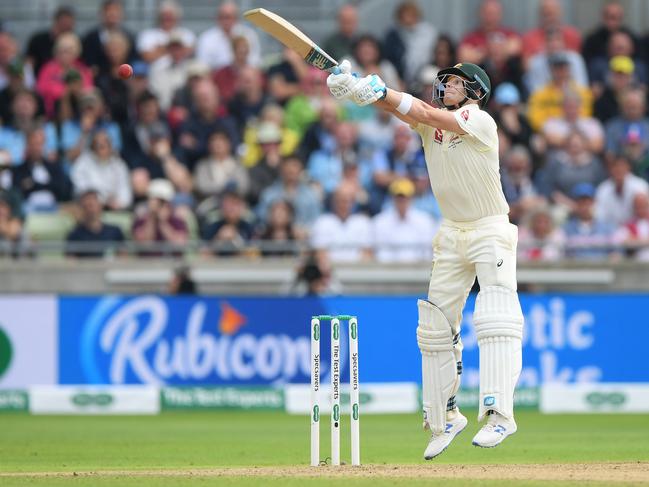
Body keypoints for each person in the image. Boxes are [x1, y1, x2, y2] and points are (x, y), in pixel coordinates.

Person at [327, 60, 524, 456]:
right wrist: (355, 90)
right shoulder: (432, 124)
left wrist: (381, 91)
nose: (446, 85)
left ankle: (500, 415)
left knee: (495, 317)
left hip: (489, 227)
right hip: (451, 232)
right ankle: (444, 418)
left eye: (454, 82)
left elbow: (418, 108)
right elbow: (405, 109)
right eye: (445, 81)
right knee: (434, 328)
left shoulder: (479, 120)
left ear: (475, 91)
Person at [65, 188, 125, 258]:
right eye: (87, 205)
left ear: (101, 206)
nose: (91, 209)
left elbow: (123, 258)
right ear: (82, 208)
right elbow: (70, 262)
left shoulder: (115, 232)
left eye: (93, 204)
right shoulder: (75, 235)